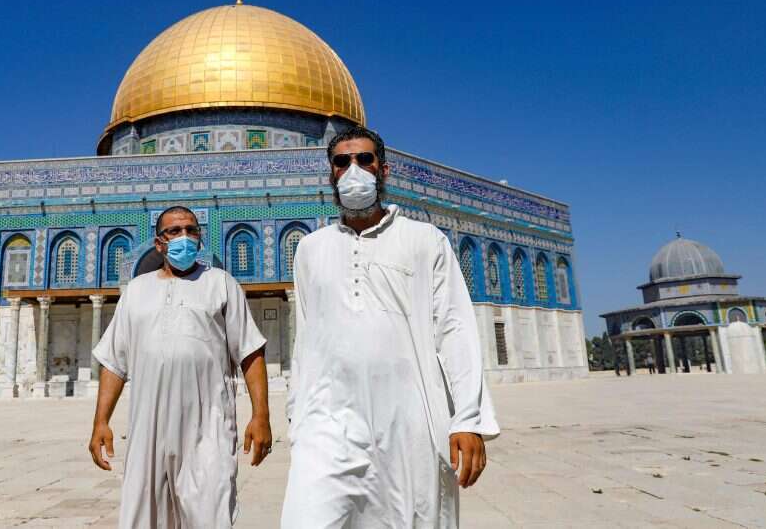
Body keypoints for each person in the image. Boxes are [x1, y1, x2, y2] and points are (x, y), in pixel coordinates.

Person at [281, 126, 499, 529]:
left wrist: (468, 419)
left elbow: (454, 329)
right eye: (342, 162)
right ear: (330, 174)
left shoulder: (424, 240)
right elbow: (307, 336)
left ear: (384, 169)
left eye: (364, 159)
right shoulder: (311, 249)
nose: (353, 170)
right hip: (326, 426)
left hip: (408, 423)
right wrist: (298, 413)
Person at [89, 206, 272, 529]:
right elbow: (114, 362)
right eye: (174, 231)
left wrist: (261, 416)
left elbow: (250, 351)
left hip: (209, 426)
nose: (184, 237)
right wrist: (100, 421)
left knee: (209, 513)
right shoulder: (136, 291)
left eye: (191, 230)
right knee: (144, 517)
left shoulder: (220, 282)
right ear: (158, 243)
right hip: (148, 429)